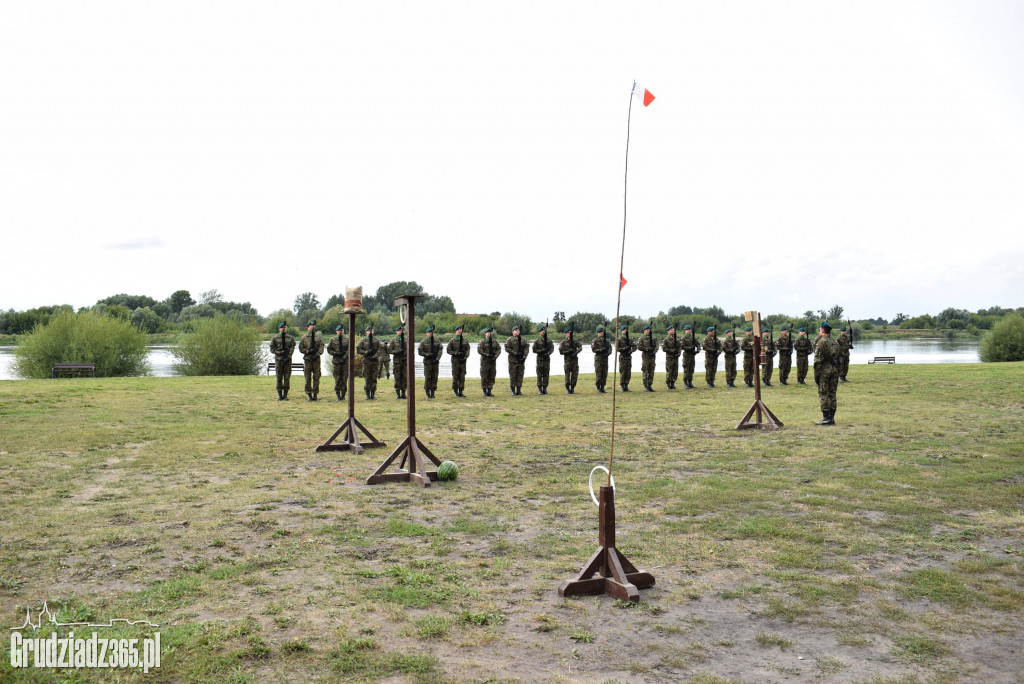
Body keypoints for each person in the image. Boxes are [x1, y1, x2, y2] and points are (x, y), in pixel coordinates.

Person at [813, 321, 840, 425]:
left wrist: (816, 374)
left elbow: (818, 360)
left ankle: (826, 417)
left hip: (824, 371)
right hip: (834, 370)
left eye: (820, 329)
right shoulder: (835, 342)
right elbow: (838, 358)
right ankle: (832, 417)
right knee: (832, 393)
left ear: (823, 330)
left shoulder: (821, 342)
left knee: (824, 393)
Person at [356, 326, 385, 400]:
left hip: (375, 362)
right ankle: (367, 394)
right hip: (367, 362)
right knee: (367, 378)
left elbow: (381, 349)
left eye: (372, 331)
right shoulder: (363, 340)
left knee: (374, 378)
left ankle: (373, 394)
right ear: (366, 332)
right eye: (369, 331)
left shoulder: (376, 340)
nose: (370, 332)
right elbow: (358, 349)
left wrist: (375, 356)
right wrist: (366, 352)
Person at [270, 321, 296, 400]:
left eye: (285, 328)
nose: (284, 329)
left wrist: (289, 356)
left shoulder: (290, 338)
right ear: (279, 329)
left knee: (287, 378)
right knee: (279, 377)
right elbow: (272, 349)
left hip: (287, 360)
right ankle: (279, 394)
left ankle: (285, 395)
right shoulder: (275, 338)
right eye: (282, 328)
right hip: (279, 360)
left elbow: (292, 347)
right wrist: (279, 352)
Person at [299, 320, 325, 401]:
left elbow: (321, 346)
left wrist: (318, 354)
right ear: (308, 327)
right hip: (308, 360)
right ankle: (309, 394)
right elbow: (301, 348)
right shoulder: (304, 337)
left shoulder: (318, 337)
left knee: (316, 377)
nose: (312, 327)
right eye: (311, 326)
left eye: (313, 326)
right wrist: (307, 351)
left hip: (316, 360)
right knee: (308, 378)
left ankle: (315, 394)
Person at [417, 325, 442, 399]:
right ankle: (427, 392)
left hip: (435, 362)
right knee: (428, 377)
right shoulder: (423, 342)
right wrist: (427, 355)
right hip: (427, 362)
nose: (430, 334)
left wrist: (437, 358)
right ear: (426, 333)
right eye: (429, 333)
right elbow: (420, 352)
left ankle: (433, 392)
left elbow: (440, 350)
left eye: (431, 332)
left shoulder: (437, 341)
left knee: (434, 377)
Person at [504, 325, 529, 396]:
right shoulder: (509, 339)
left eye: (518, 330)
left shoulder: (523, 340)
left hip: (521, 361)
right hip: (513, 361)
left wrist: (524, 357)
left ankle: (519, 390)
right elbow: (507, 348)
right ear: (513, 332)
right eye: (516, 330)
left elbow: (526, 348)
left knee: (520, 375)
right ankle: (513, 390)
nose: (517, 331)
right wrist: (515, 353)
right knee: (513, 375)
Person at [446, 324, 470, 397]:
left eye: (460, 329)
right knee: (455, 376)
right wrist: (456, 353)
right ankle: (455, 391)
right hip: (455, 361)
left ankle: (461, 391)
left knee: (462, 376)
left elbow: (468, 349)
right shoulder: (452, 341)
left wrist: (465, 357)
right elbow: (448, 350)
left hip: (463, 361)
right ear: (455, 331)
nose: (460, 331)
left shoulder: (465, 340)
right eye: (458, 330)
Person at [326, 324, 348, 401]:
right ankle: (338, 395)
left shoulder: (347, 339)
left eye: (341, 330)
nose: (340, 332)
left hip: (345, 362)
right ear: (336, 331)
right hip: (336, 362)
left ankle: (343, 395)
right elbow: (328, 349)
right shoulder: (333, 340)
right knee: (337, 379)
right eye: (339, 330)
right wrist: (335, 353)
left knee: (344, 378)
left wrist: (344, 357)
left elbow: (350, 350)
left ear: (343, 331)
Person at [477, 327, 501, 396]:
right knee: (484, 377)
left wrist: (495, 356)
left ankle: (489, 390)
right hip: (485, 362)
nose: (489, 333)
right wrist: (487, 355)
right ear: (485, 333)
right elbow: (479, 350)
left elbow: (499, 349)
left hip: (492, 362)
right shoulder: (482, 342)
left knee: (492, 376)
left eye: (490, 332)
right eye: (488, 332)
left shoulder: (494, 342)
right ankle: (484, 391)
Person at [559, 327, 583, 394]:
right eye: (568, 333)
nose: (569, 334)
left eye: (570, 332)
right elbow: (561, 352)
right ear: (565, 334)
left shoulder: (575, 341)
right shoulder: (563, 342)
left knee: (574, 375)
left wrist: (576, 352)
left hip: (574, 360)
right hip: (567, 361)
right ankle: (567, 389)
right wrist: (568, 351)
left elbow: (580, 347)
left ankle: (572, 388)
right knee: (567, 376)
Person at [532, 324, 554, 395]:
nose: (543, 332)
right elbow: (534, 350)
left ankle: (545, 389)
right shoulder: (537, 341)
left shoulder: (549, 341)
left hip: (546, 360)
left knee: (546, 375)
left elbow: (552, 348)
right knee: (539, 374)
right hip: (540, 360)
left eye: (544, 330)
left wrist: (547, 353)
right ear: (539, 332)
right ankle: (540, 389)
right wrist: (541, 351)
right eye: (541, 331)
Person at [387, 325, 407, 399]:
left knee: (404, 377)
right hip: (397, 361)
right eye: (399, 331)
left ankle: (404, 393)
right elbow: (389, 350)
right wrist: (397, 351)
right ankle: (398, 393)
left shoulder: (405, 339)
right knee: (397, 377)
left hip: (404, 361)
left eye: (401, 330)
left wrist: (406, 356)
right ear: (396, 332)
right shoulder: (393, 340)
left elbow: (409, 349)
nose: (400, 332)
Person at [590, 326, 613, 393]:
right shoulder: (595, 340)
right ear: (597, 333)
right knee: (599, 373)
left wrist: (608, 353)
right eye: (600, 332)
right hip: (598, 359)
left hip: (605, 359)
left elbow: (610, 348)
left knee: (604, 373)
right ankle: (598, 387)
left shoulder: (606, 340)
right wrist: (601, 350)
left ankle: (602, 387)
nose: (601, 333)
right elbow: (593, 349)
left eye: (602, 332)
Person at [616, 325, 637, 392]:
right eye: (624, 330)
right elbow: (617, 349)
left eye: (626, 330)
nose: (625, 331)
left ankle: (626, 385)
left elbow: (635, 346)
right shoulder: (619, 339)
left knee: (628, 372)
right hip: (622, 358)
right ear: (622, 331)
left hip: (628, 358)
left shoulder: (629, 339)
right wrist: (624, 349)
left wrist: (630, 351)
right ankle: (622, 386)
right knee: (623, 372)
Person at [638, 323, 658, 392]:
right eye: (646, 330)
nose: (648, 331)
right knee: (645, 371)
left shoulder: (654, 338)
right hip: (646, 358)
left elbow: (657, 347)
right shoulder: (642, 339)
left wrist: (654, 352)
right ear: (644, 331)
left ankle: (650, 385)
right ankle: (646, 386)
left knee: (651, 372)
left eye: (649, 330)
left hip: (652, 357)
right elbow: (639, 347)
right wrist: (646, 349)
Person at [661, 324, 681, 390]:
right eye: (671, 330)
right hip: (669, 358)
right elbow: (664, 349)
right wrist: (672, 351)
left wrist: (678, 353)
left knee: (675, 371)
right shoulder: (666, 340)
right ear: (668, 331)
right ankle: (668, 384)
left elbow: (679, 347)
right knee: (669, 371)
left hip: (675, 357)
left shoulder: (676, 339)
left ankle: (673, 383)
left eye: (673, 330)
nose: (673, 331)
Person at [681, 324, 700, 389]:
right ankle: (685, 383)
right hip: (687, 356)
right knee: (686, 370)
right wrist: (690, 348)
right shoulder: (683, 338)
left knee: (691, 369)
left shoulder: (693, 338)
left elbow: (698, 344)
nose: (689, 331)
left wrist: (697, 350)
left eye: (690, 329)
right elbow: (682, 347)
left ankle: (690, 382)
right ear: (685, 330)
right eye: (688, 329)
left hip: (692, 355)